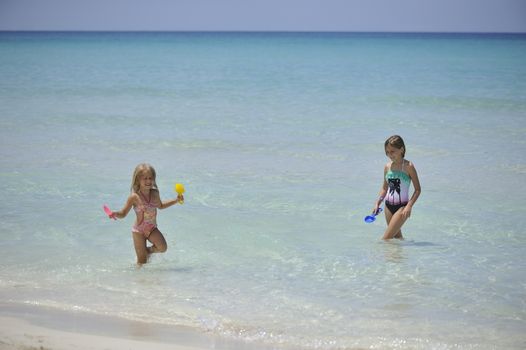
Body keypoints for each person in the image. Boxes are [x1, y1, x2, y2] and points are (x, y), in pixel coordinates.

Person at [108, 163, 184, 265]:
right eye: (145, 178)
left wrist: (176, 200)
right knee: (142, 262)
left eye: (150, 178)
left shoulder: (155, 193)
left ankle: (148, 251)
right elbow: (123, 213)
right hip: (138, 231)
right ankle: (140, 279)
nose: (148, 181)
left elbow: (160, 206)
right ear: (138, 180)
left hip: (152, 228)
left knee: (162, 247)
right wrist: (115, 213)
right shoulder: (134, 197)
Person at [373, 135, 421, 240]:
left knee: (385, 239)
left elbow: (418, 189)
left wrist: (409, 206)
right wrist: (377, 203)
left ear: (401, 149)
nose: (390, 155)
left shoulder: (409, 166)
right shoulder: (387, 167)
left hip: (402, 208)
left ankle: (378, 255)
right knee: (397, 238)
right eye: (387, 152)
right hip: (388, 207)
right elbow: (385, 189)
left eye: (392, 151)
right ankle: (399, 256)